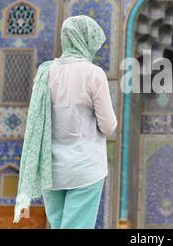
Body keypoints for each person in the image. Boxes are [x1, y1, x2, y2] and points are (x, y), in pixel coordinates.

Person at [14, 15, 117, 229]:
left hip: (50, 169)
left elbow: (38, 120)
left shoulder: (45, 73)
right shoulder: (93, 74)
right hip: (85, 168)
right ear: (87, 41)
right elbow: (108, 126)